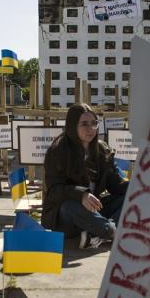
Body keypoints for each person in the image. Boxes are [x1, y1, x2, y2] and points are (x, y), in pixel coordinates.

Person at [42, 103, 129, 248]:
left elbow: (115, 184)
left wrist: (138, 186)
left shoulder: (102, 150)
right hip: (67, 216)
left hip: (94, 212)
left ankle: (96, 233)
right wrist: (81, 195)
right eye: (84, 124)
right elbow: (54, 191)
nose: (90, 129)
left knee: (129, 197)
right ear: (72, 126)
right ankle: (111, 231)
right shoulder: (57, 151)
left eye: (94, 123)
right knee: (70, 206)